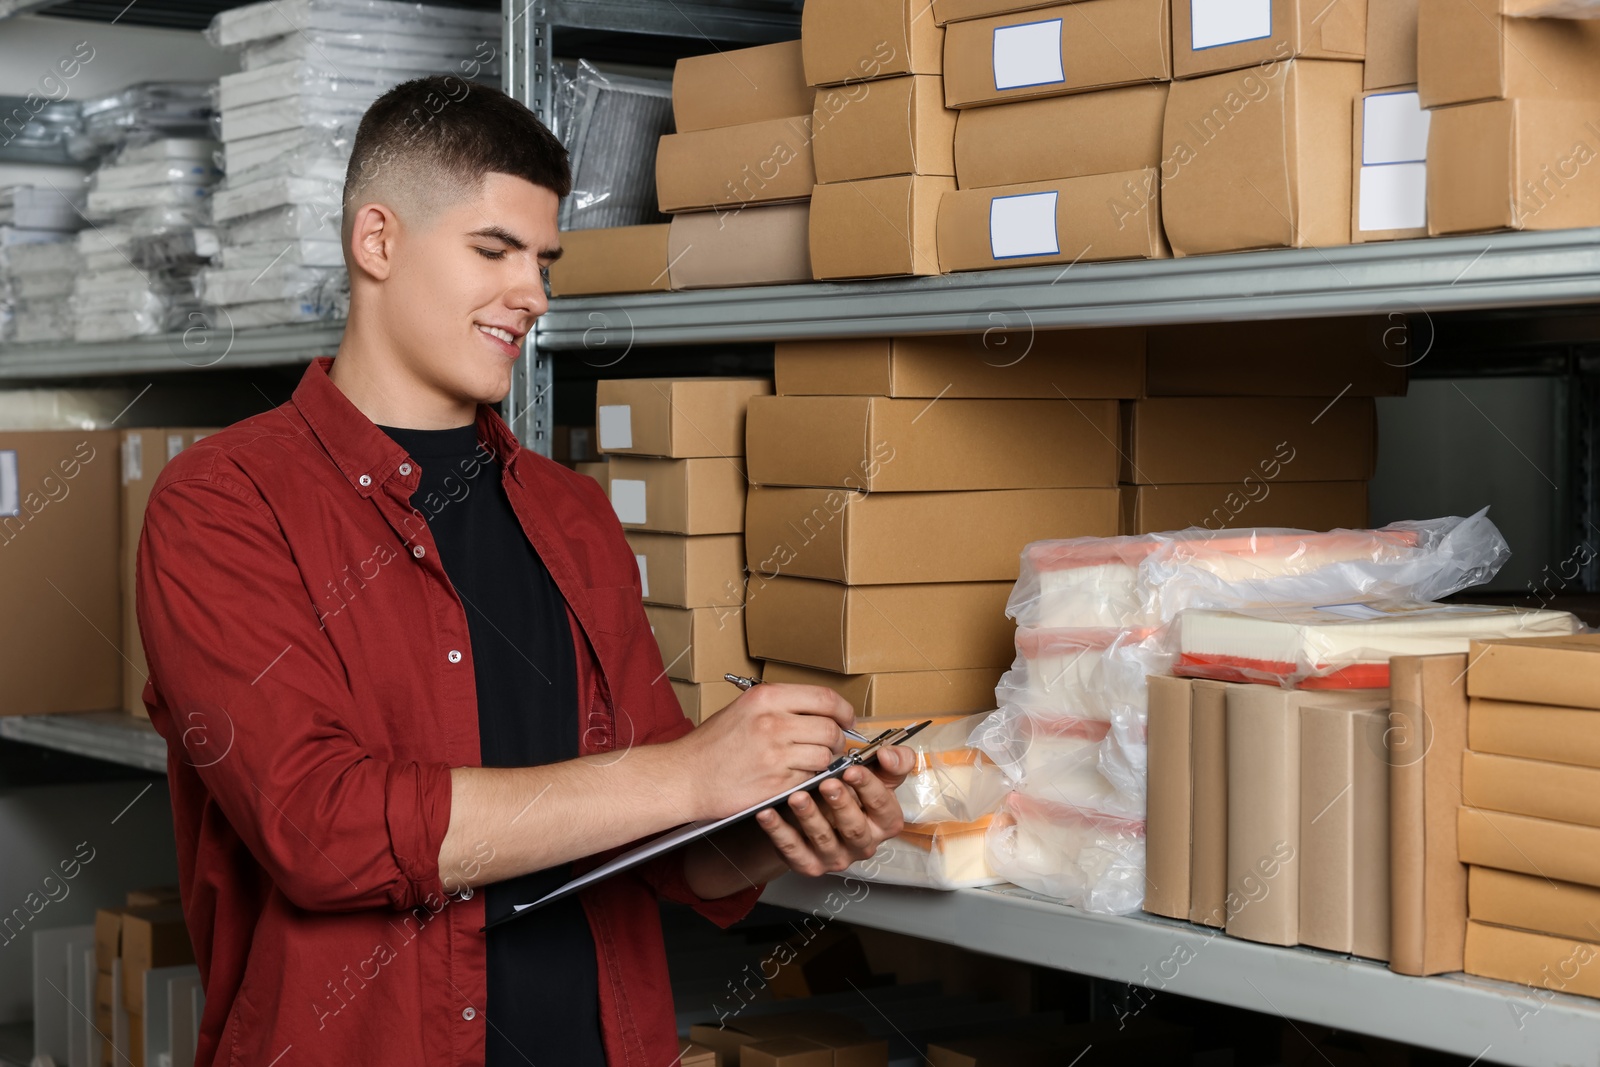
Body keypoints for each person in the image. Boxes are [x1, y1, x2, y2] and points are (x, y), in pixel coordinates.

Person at [136, 74, 913, 1067]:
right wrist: (685, 771)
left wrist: (782, 817)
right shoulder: (225, 502)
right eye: (493, 251)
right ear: (376, 241)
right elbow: (317, 828)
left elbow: (663, 847)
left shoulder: (571, 514)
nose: (534, 296)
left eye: (543, 260)